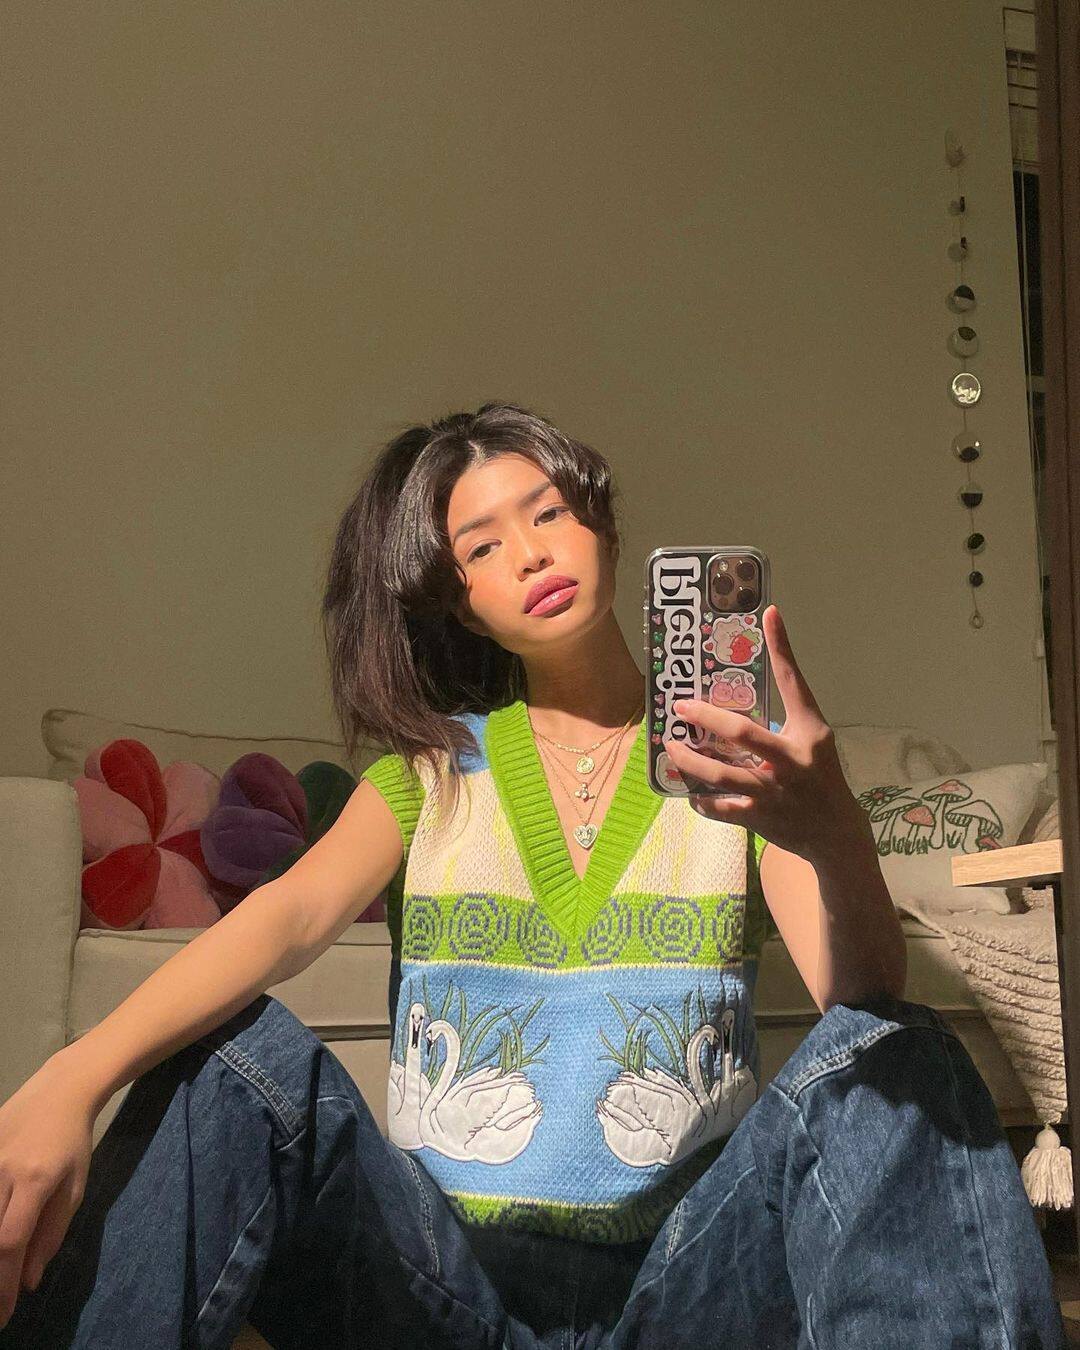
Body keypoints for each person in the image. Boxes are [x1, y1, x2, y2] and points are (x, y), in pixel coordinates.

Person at [0, 402, 1065, 1348]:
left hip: (687, 1287)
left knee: (904, 1046)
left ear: (605, 527)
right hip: (445, 1291)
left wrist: (832, 833)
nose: (529, 553)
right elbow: (286, 917)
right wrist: (71, 1080)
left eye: (549, 512)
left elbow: (859, 1002)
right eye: (482, 544)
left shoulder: (728, 764)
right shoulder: (426, 773)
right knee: (234, 1059)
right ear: (460, 602)